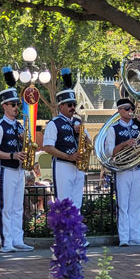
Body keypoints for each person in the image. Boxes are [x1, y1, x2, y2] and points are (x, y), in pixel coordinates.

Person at [104, 98, 140, 246]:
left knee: (136, 204)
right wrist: (124, 144)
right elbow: (109, 152)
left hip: (138, 167)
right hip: (122, 169)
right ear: (119, 111)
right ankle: (124, 238)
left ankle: (136, 236)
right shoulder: (113, 128)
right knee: (123, 204)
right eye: (126, 109)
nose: (130, 111)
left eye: (131, 108)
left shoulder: (139, 125)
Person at [0, 66, 35, 253]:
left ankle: (18, 239)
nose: (16, 107)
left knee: (18, 207)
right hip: (6, 169)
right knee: (6, 207)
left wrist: (26, 143)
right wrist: (12, 155)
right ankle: (6, 242)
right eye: (13, 104)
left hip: (19, 170)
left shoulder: (19, 126)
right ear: (4, 106)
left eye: (17, 104)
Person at [43, 67, 89, 210]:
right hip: (63, 165)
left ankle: (75, 231)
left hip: (79, 166)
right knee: (64, 203)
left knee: (77, 204)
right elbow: (48, 147)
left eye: (74, 105)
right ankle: (64, 231)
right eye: (69, 105)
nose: (73, 107)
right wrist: (68, 156)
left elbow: (89, 144)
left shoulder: (78, 122)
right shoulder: (54, 123)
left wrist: (82, 134)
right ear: (61, 106)